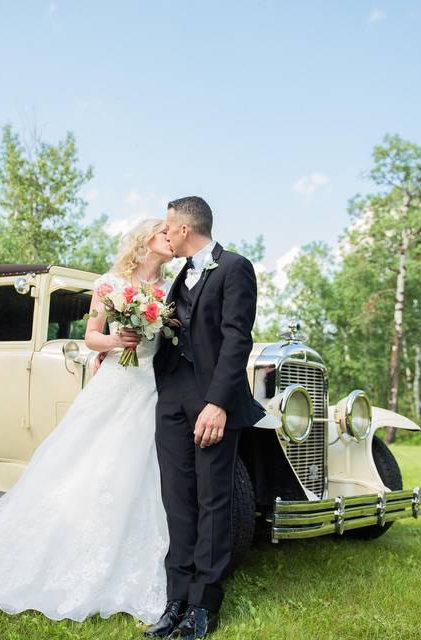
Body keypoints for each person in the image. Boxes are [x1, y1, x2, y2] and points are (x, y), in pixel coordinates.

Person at [0, 219, 176, 625]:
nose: (171, 239)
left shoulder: (169, 290)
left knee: (141, 472)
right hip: (116, 382)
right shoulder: (110, 282)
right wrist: (114, 341)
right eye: (164, 233)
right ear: (146, 240)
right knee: (85, 467)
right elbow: (92, 334)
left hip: (150, 387)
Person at [144, 196, 266, 639]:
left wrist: (218, 403)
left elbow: (237, 339)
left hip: (212, 402)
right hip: (172, 400)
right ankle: (175, 600)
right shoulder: (178, 276)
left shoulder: (234, 267)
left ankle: (203, 608)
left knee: (214, 502)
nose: (166, 233)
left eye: (169, 227)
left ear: (183, 229)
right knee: (178, 499)